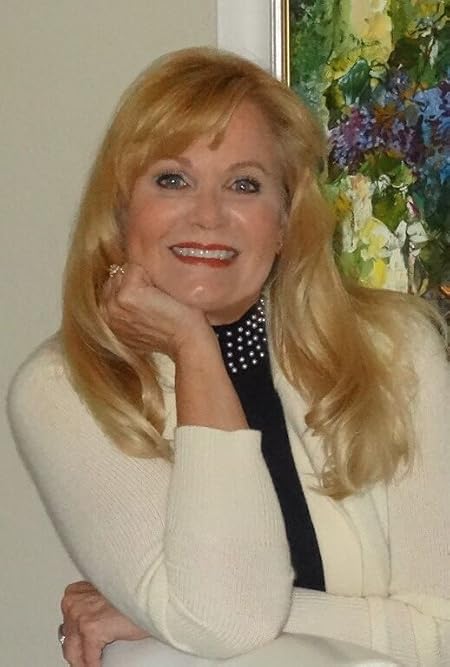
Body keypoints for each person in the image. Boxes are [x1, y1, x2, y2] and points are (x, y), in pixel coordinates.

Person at [7, 47, 449, 667]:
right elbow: (227, 617)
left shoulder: (394, 349)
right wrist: (195, 350)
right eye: (172, 179)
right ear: (121, 209)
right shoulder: (66, 388)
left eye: (245, 185)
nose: (209, 216)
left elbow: (442, 632)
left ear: (285, 221)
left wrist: (159, 612)